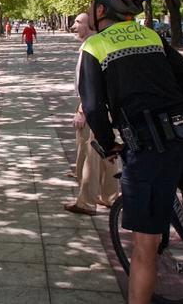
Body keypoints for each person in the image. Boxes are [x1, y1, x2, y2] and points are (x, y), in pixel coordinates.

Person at [78, 0, 183, 304]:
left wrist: (108, 143)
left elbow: (94, 106)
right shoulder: (152, 36)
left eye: (91, 6)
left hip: (149, 150)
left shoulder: (95, 46)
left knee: (145, 247)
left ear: (101, 10)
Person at [64, 12, 119, 215]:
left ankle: (86, 202)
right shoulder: (100, 43)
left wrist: (82, 110)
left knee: (92, 153)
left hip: (93, 107)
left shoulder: (93, 46)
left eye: (78, 22)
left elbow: (92, 85)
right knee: (108, 153)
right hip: (103, 106)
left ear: (91, 26)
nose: (73, 26)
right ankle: (110, 197)